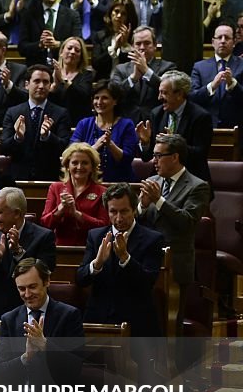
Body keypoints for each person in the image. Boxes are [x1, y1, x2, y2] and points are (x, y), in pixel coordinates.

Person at [77, 183, 166, 337]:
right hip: (100, 318)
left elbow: (148, 281)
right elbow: (80, 279)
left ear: (134, 209)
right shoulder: (96, 236)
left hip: (137, 322)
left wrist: (125, 258)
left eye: (124, 211)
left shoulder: (152, 239)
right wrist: (97, 264)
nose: (119, 218)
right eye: (113, 212)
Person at [0, 258, 86, 388]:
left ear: (47, 281)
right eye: (21, 288)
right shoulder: (9, 320)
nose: (27, 294)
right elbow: (0, 374)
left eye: (32, 287)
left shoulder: (69, 316)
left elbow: (75, 369)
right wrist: (26, 357)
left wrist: (44, 345)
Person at [0, 187, 57, 319]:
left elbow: (45, 273)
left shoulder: (43, 237)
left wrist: (18, 252)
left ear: (16, 213)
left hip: (30, 312)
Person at [136, 133, 211, 287]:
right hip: (146, 261)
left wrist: (159, 201)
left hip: (176, 264)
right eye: (153, 155)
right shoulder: (152, 181)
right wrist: (142, 207)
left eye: (158, 156)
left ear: (175, 157)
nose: (154, 161)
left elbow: (188, 222)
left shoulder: (197, 186)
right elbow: (136, 221)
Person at [136, 70, 212, 182]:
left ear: (179, 94)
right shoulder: (156, 114)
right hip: (162, 179)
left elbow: (200, 154)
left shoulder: (200, 117)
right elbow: (147, 157)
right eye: (159, 92)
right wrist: (146, 143)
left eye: (164, 93)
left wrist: (176, 143)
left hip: (192, 180)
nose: (159, 98)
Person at [0, 64, 71, 181]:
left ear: (50, 85)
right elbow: (4, 148)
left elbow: (64, 148)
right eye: (37, 81)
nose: (41, 86)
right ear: (27, 85)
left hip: (49, 178)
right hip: (18, 178)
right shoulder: (13, 112)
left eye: (46, 82)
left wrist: (47, 136)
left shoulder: (61, 113)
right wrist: (17, 137)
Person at [70, 80, 140, 182]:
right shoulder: (84, 124)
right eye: (96, 98)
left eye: (105, 98)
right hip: (88, 182)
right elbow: (71, 153)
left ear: (115, 101)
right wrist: (94, 147)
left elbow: (127, 159)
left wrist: (110, 144)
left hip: (119, 183)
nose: (99, 102)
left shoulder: (126, 125)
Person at [41, 143, 109, 246]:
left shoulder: (102, 192)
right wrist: (60, 209)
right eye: (75, 163)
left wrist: (77, 214)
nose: (79, 167)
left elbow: (104, 227)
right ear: (67, 166)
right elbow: (45, 224)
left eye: (85, 163)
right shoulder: (55, 188)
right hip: (60, 249)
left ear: (92, 167)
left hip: (91, 249)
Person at [110, 26, 175, 122]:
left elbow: (170, 92)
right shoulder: (120, 69)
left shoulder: (168, 67)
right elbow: (114, 94)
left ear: (155, 45)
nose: (142, 47)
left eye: (147, 43)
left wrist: (146, 71)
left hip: (158, 122)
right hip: (127, 122)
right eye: (138, 44)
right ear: (132, 46)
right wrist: (133, 78)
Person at [17, 0, 82, 66]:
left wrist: (58, 45)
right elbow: (22, 48)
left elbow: (78, 42)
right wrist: (39, 45)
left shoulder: (72, 15)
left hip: (63, 67)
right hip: (36, 68)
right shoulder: (29, 15)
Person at [189, 22, 243, 129]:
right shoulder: (199, 67)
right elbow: (192, 98)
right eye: (219, 37)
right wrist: (211, 86)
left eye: (227, 38)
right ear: (213, 42)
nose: (223, 41)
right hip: (205, 127)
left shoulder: (242, 65)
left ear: (234, 42)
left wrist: (233, 84)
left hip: (237, 128)